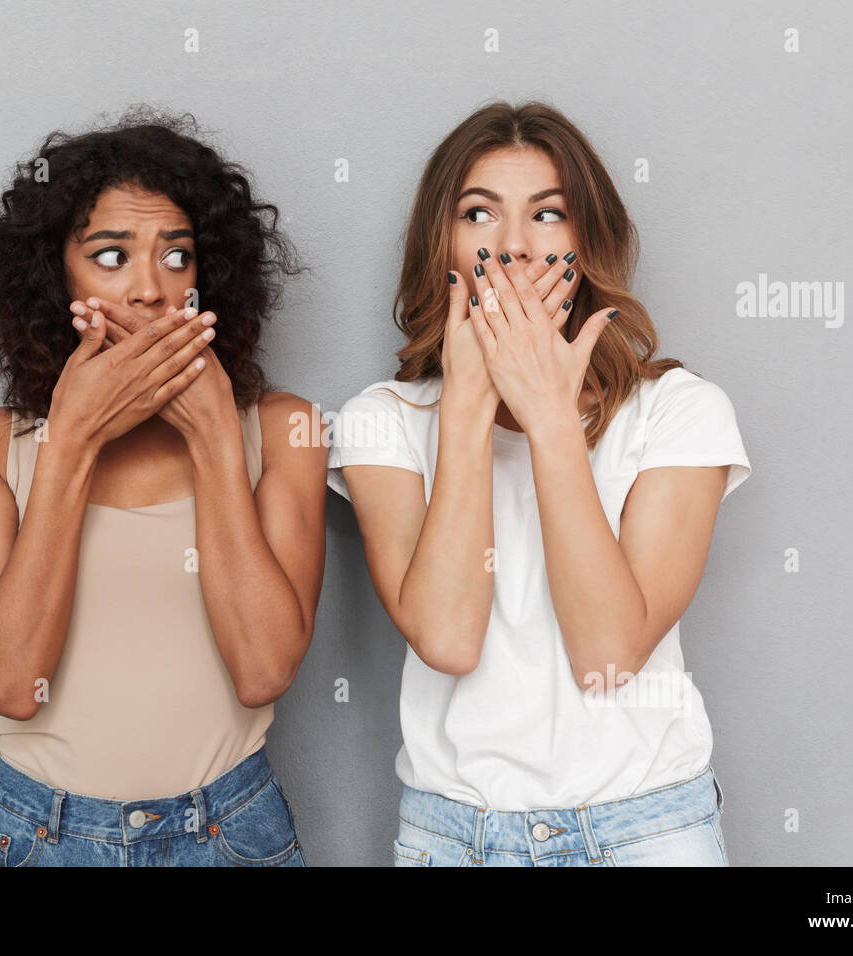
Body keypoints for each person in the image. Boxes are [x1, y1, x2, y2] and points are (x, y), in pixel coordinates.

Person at [327, 100, 752, 866]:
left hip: (646, 833)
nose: (514, 246)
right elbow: (449, 640)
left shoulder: (680, 412)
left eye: (548, 215)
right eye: (479, 213)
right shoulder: (380, 421)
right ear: (443, 242)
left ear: (587, 243)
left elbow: (607, 653)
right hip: (456, 838)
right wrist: (464, 410)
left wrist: (553, 422)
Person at [0, 108, 326, 866]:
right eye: (111, 256)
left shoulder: (283, 430)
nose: (152, 290)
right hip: (42, 836)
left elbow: (263, 671)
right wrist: (72, 440)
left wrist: (215, 437)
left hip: (230, 832)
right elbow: (14, 685)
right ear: (54, 280)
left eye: (177, 256)